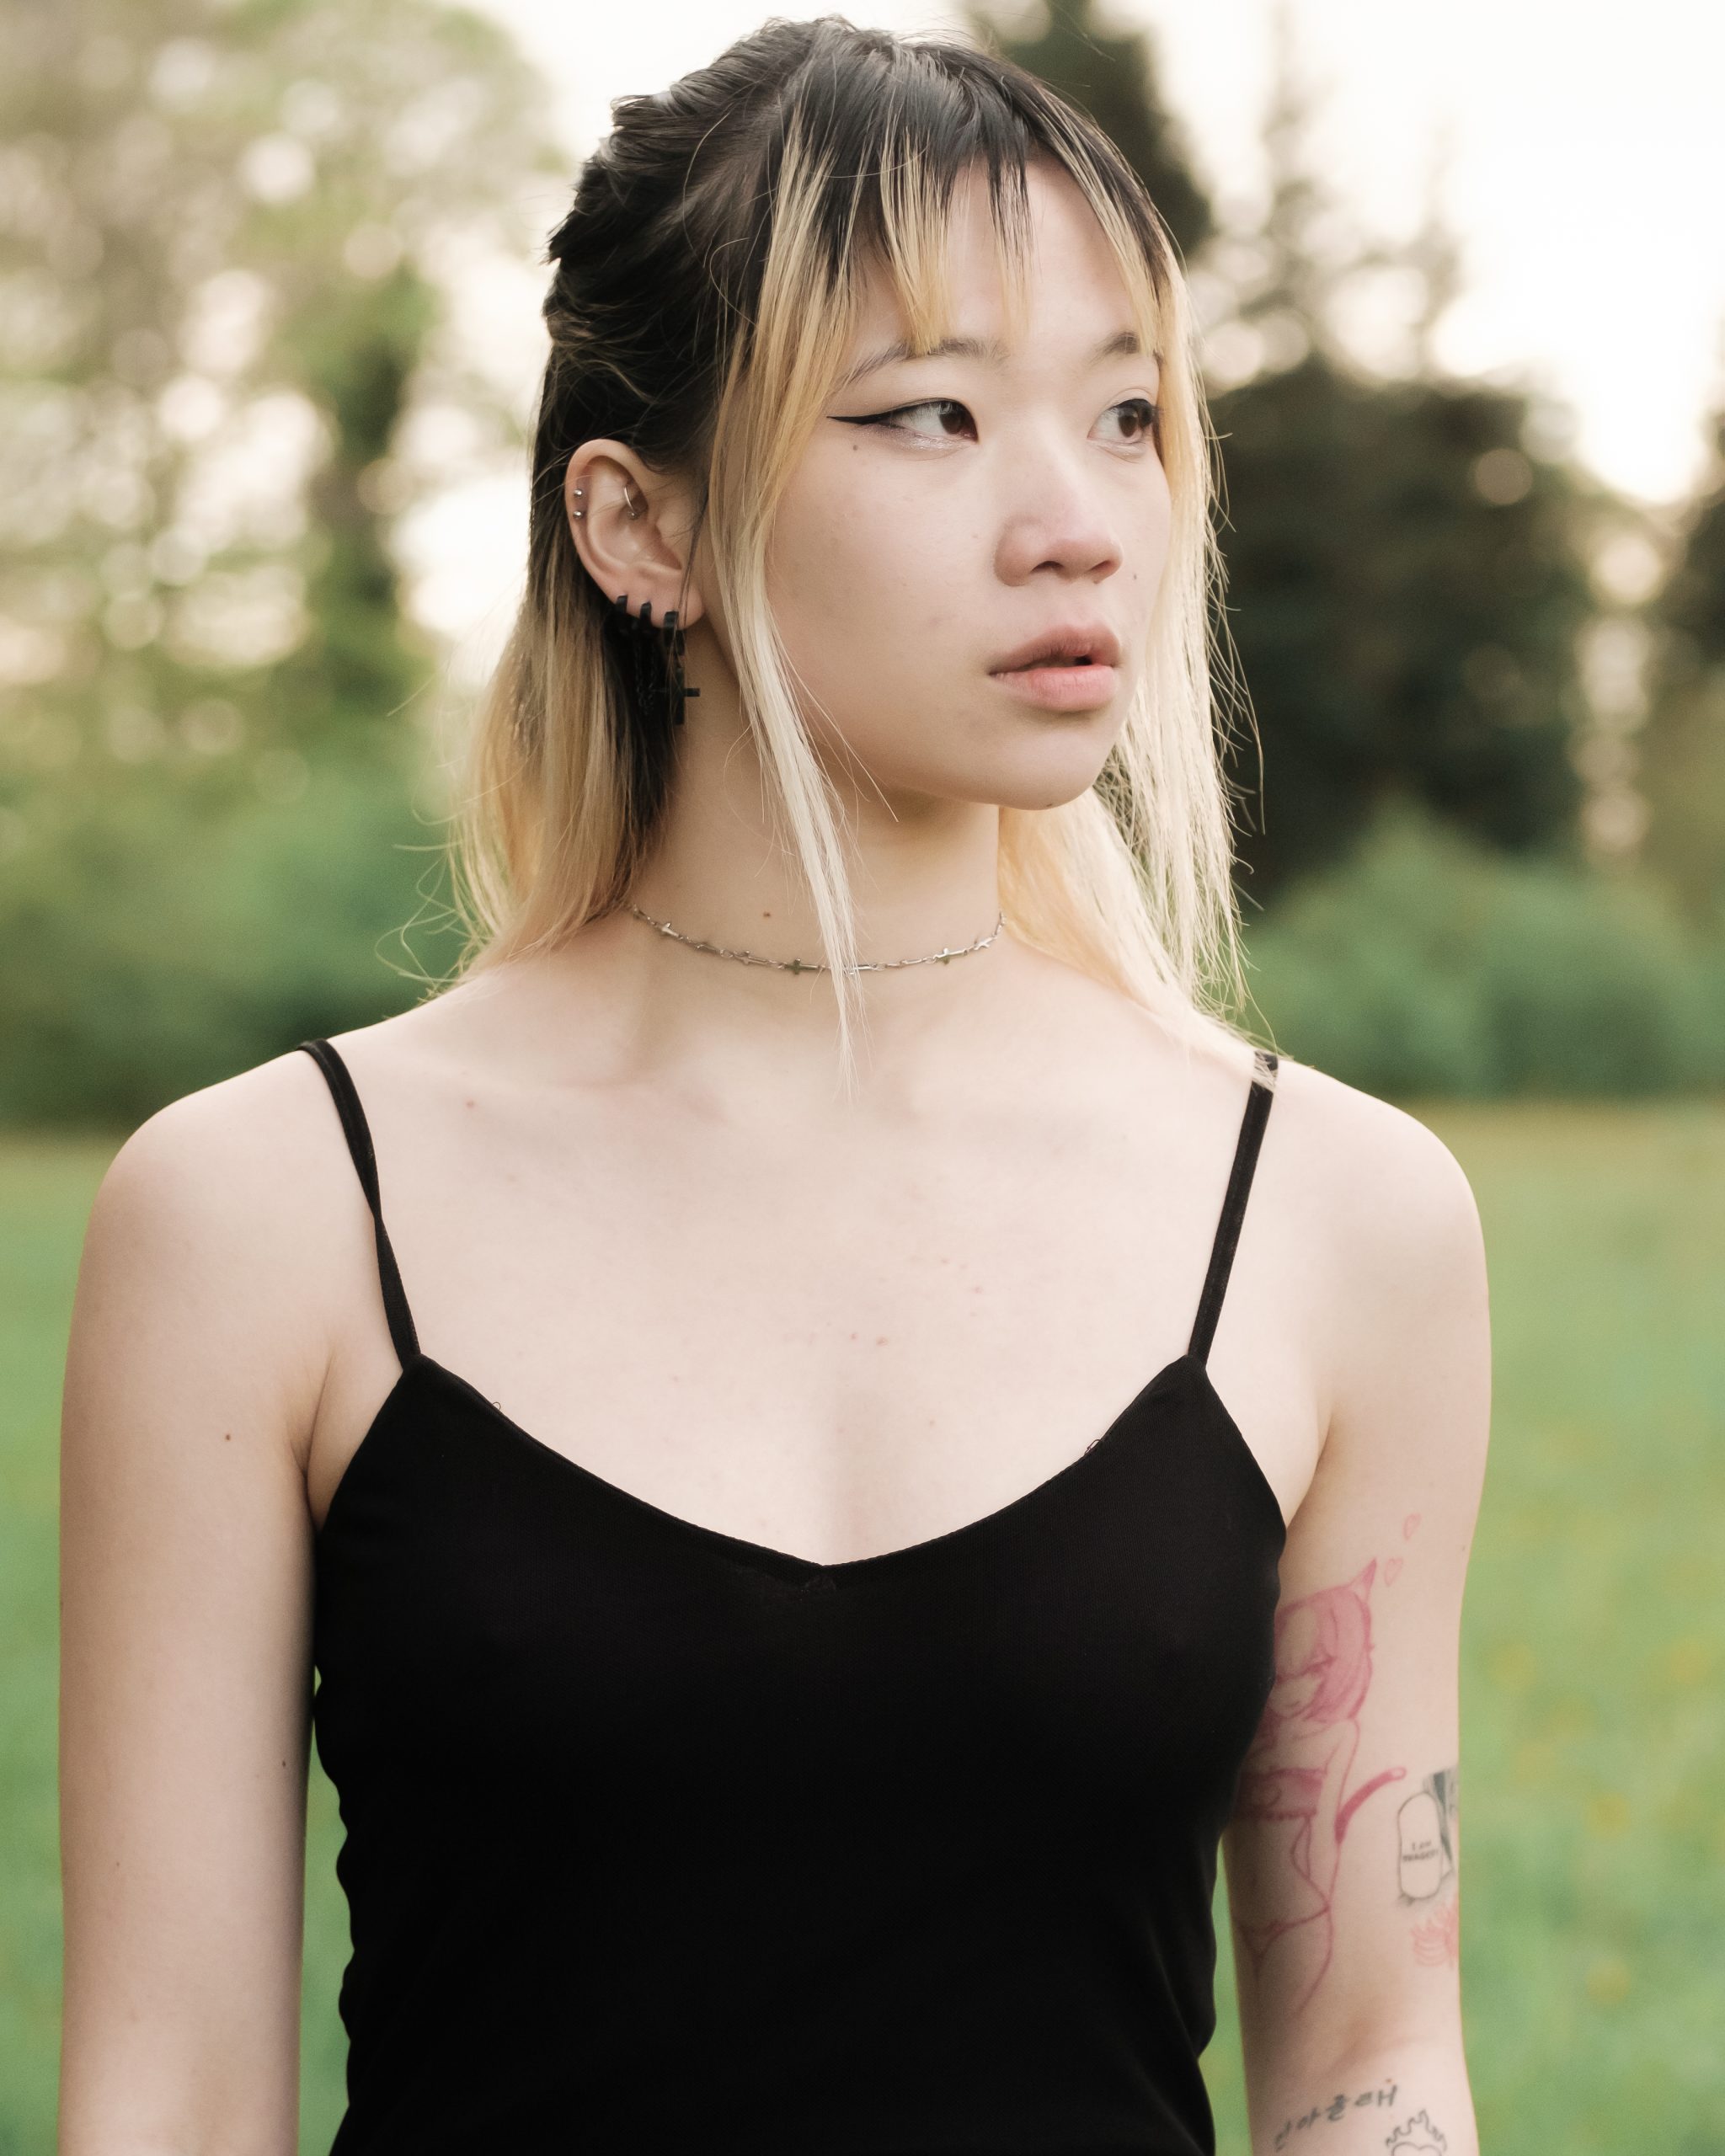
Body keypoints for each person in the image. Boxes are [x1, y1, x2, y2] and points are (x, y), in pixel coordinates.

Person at [56, 17, 1492, 2154]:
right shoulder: (267, 1213)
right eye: (930, 413)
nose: (1078, 523)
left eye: (1124, 414)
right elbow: (167, 2096)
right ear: (637, 522)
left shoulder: (1333, 1214)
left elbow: (1373, 2064)